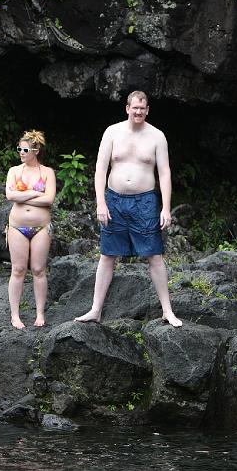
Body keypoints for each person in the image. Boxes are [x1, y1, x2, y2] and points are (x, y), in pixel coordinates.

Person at [75, 90, 182, 327]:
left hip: (145, 202)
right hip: (114, 200)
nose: (138, 112)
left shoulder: (157, 136)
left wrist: (166, 208)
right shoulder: (112, 132)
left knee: (154, 255)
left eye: (142, 108)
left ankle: (167, 310)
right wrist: (100, 202)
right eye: (134, 108)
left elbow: (164, 173)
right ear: (127, 108)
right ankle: (95, 309)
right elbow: (100, 169)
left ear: (147, 110)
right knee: (107, 255)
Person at [6, 130, 56, 329]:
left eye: (24, 149)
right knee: (18, 269)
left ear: (35, 150)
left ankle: (39, 313)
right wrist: (35, 192)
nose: (21, 152)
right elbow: (10, 196)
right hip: (17, 226)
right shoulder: (14, 171)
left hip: (41, 227)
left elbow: (49, 199)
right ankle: (15, 315)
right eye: (19, 148)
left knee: (38, 269)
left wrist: (23, 194)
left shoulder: (47, 172)